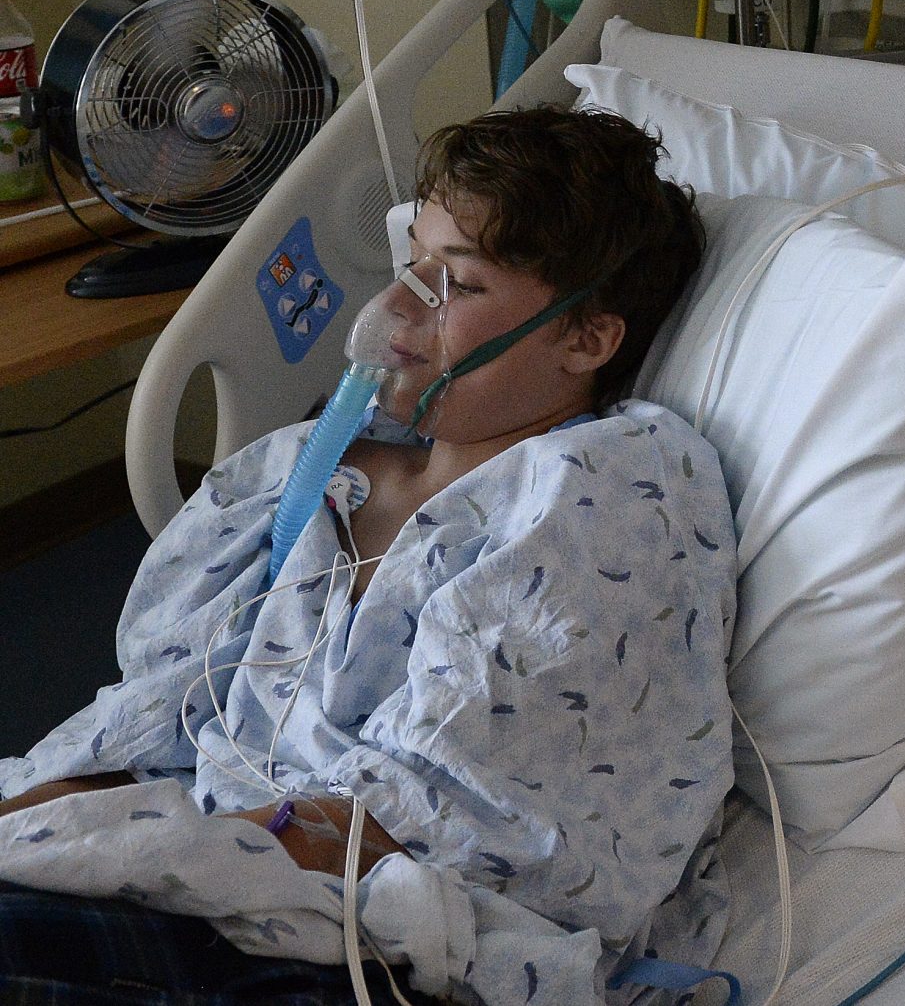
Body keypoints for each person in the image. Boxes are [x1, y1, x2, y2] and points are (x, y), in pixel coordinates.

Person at [0, 108, 736, 1006]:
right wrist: (49, 814)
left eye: (457, 286)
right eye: (411, 267)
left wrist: (128, 843)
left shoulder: (601, 493)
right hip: (199, 870)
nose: (399, 310)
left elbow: (435, 817)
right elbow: (159, 710)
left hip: (359, 942)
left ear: (585, 338)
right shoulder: (315, 466)